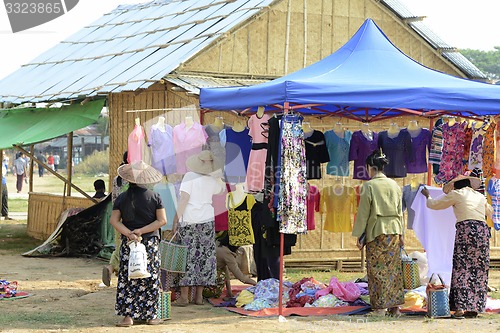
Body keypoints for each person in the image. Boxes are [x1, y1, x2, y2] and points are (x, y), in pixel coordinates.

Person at [421, 175, 492, 319]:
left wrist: (427, 196)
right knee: (478, 268)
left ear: (457, 186)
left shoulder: (457, 194)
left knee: (462, 267)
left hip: (465, 230)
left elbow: (434, 205)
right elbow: (489, 212)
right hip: (482, 231)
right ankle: (474, 307)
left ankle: (460, 308)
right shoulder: (479, 196)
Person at [109, 160, 166, 327]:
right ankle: (151, 316)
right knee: (150, 277)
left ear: (128, 178)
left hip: (129, 244)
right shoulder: (155, 196)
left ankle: (128, 317)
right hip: (150, 244)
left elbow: (114, 220)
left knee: (128, 278)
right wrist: (141, 231)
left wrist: (130, 233)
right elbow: (162, 220)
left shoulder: (121, 198)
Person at [352, 149, 404, 317]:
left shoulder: (369, 186)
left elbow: (363, 213)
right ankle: (395, 307)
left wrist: (359, 235)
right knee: (394, 270)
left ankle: (380, 308)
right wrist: (402, 234)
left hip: (377, 230)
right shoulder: (395, 185)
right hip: (395, 230)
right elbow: (400, 211)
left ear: (370, 167)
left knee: (377, 269)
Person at [172, 150, 225, 306]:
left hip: (189, 220)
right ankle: (199, 296)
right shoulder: (212, 180)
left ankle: (184, 297)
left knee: (186, 257)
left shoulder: (189, 176)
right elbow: (221, 190)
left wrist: (176, 219)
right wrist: (218, 175)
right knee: (204, 257)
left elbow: (184, 199)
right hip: (207, 220)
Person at [102, 152, 129, 286]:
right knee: (129, 248)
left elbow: (114, 200)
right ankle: (114, 268)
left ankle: (112, 268)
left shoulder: (117, 179)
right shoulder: (133, 179)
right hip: (130, 218)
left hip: (117, 217)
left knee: (119, 246)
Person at [216, 231, 257, 300]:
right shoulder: (227, 254)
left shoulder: (219, 245)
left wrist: (229, 292)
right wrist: (255, 284)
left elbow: (225, 271)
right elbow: (240, 276)